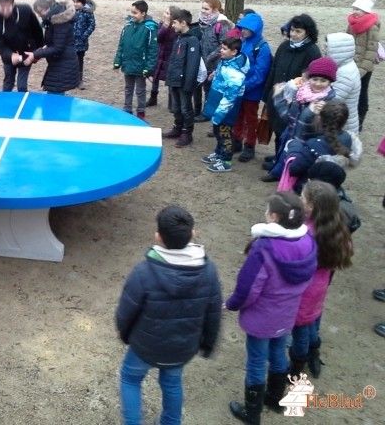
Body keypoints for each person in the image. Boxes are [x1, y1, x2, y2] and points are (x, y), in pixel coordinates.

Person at [115, 206, 222, 425]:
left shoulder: (143, 272)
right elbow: (213, 313)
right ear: (193, 234)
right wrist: (208, 344)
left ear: (157, 236)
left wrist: (127, 337)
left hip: (144, 346)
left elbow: (125, 312)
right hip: (182, 348)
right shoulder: (208, 271)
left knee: (130, 379)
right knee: (172, 383)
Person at [225, 192, 317, 424]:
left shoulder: (264, 247)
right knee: (278, 354)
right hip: (287, 314)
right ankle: (275, 399)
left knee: (256, 361)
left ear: (274, 217)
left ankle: (252, 412)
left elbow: (248, 289)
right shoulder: (308, 241)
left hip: (261, 318)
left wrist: (232, 304)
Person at [289, 181, 353, 381]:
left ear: (311, 207)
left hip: (303, 292)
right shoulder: (337, 229)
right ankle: (314, 355)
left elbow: (293, 262)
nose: (299, 201)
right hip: (320, 289)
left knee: (299, 331)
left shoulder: (306, 234)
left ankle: (296, 368)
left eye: (302, 199)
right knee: (313, 321)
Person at [263, 57, 337, 182]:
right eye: (315, 79)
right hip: (292, 137)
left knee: (299, 174)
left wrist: (312, 113)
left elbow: (319, 130)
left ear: (330, 82)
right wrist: (279, 97)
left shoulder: (329, 103)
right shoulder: (302, 94)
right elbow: (288, 117)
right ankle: (278, 173)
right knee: (284, 157)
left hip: (308, 146)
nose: (318, 83)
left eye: (323, 80)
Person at [262, 14, 322, 166]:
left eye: (298, 31)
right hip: (277, 96)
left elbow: (312, 79)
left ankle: (282, 164)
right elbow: (274, 69)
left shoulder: (312, 52)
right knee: (277, 128)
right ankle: (278, 156)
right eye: (292, 30)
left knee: (288, 133)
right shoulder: (284, 46)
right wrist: (267, 93)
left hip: (296, 100)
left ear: (307, 32)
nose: (293, 34)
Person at [281, 101, 355, 194]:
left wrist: (294, 147)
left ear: (320, 119)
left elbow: (294, 169)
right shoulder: (347, 138)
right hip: (331, 188)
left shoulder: (314, 146)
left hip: (308, 189)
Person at [202, 37, 248, 173]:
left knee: (225, 133)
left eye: (224, 49)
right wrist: (215, 75)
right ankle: (218, 152)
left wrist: (220, 112)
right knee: (217, 130)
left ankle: (226, 160)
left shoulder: (236, 73)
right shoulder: (226, 61)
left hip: (226, 109)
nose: (221, 51)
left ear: (234, 52)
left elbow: (230, 96)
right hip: (218, 102)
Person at [233, 13, 272, 162]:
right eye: (242, 27)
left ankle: (249, 145)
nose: (243, 31)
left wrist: (244, 86)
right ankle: (237, 140)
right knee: (238, 115)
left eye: (246, 28)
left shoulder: (262, 48)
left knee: (250, 119)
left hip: (252, 91)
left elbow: (260, 74)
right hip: (240, 87)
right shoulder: (244, 42)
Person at [0, 0, 44, 92]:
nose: (5, 11)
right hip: (9, 57)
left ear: (13, 4)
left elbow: (37, 31)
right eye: (2, 8)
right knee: (8, 82)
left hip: (27, 53)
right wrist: (10, 55)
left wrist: (37, 52)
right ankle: (4, 105)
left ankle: (23, 105)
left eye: (8, 7)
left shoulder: (25, 11)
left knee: (22, 85)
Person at [162, 9, 201, 148]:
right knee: (176, 107)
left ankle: (187, 132)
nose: (172, 25)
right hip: (174, 79)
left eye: (175, 23)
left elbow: (192, 63)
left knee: (185, 108)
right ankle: (177, 127)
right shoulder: (178, 38)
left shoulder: (192, 40)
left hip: (184, 82)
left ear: (183, 23)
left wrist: (188, 83)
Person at [26, 0, 79, 95]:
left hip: (63, 66)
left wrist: (35, 54)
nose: (39, 14)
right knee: (56, 97)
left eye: (40, 11)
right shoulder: (53, 20)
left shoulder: (60, 22)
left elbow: (57, 48)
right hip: (59, 64)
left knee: (55, 98)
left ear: (48, 8)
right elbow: (54, 42)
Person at [113, 0, 158, 119]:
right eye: (131, 12)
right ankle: (127, 108)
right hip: (128, 63)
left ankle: (141, 111)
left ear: (143, 13)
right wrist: (117, 61)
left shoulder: (149, 29)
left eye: (135, 13)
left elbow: (152, 50)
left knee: (140, 90)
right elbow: (121, 45)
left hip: (141, 65)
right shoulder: (127, 27)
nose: (132, 15)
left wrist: (149, 67)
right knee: (128, 88)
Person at [194, 0, 234, 121]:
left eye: (207, 9)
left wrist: (210, 57)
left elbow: (224, 45)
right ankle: (199, 110)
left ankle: (208, 112)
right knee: (200, 85)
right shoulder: (201, 22)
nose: (203, 11)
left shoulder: (221, 25)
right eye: (203, 8)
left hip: (214, 63)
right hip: (201, 61)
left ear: (215, 9)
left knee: (210, 89)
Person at [346, 0, 380, 130]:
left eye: (358, 9)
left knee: (361, 93)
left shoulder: (372, 28)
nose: (355, 11)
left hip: (364, 67)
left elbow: (371, 51)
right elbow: (347, 41)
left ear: (366, 11)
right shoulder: (352, 24)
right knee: (350, 92)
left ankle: (360, 118)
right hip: (351, 64)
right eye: (354, 8)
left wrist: (362, 70)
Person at [325, 32, 360, 133]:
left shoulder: (344, 74)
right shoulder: (346, 66)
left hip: (343, 127)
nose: (324, 50)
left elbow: (332, 99)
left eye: (327, 47)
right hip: (345, 122)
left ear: (338, 50)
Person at [149, 5, 178, 107]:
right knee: (155, 76)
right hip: (160, 54)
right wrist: (165, 25)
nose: (165, 14)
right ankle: (153, 97)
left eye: (168, 13)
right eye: (165, 12)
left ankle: (171, 102)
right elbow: (159, 38)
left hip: (170, 56)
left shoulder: (175, 27)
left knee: (169, 78)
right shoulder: (162, 24)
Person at [71, 0, 96, 89]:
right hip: (71, 41)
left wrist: (84, 36)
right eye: (74, 1)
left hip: (81, 42)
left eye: (78, 2)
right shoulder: (71, 11)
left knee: (79, 60)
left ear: (83, 2)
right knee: (71, 60)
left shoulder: (88, 13)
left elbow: (92, 25)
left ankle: (79, 80)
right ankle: (72, 79)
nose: (75, 4)